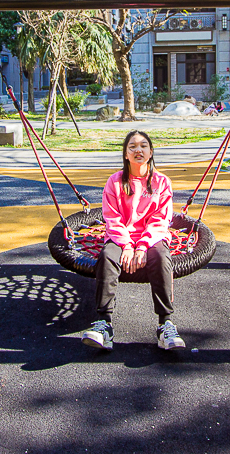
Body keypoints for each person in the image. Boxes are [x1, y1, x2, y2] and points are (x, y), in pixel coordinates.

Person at [82, 130, 185, 352]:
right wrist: (127, 244)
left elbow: (160, 219)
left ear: (150, 152)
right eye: (132, 146)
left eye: (143, 146)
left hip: (152, 236)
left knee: (160, 257)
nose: (138, 150)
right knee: (108, 257)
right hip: (121, 236)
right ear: (126, 154)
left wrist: (142, 246)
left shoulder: (161, 182)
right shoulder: (115, 181)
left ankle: (165, 323)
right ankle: (104, 324)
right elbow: (112, 217)